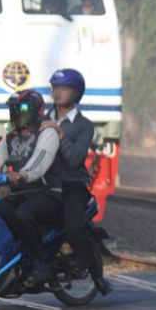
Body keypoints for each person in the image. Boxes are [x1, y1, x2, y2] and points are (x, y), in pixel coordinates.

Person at [40, 68, 113, 295]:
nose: (57, 92)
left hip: (73, 186)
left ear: (76, 93)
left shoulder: (84, 125)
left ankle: (96, 276)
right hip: (46, 185)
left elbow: (74, 159)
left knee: (72, 228)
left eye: (63, 88)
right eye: (55, 88)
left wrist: (60, 134)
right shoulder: (42, 119)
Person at [0, 89, 61, 286]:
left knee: (23, 215)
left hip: (48, 192)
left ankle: (40, 263)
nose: (18, 114)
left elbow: (39, 162)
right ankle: (10, 257)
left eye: (23, 109)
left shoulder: (47, 133)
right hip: (22, 194)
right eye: (15, 109)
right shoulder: (10, 137)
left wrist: (22, 174)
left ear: (36, 111)